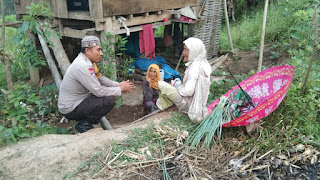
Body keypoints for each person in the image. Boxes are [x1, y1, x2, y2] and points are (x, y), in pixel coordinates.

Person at [58, 36, 134, 133]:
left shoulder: (88, 62)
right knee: (109, 100)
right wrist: (120, 89)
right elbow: (98, 91)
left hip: (80, 100)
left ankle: (87, 121)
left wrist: (118, 85)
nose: (101, 53)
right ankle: (84, 124)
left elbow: (100, 78)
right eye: (98, 50)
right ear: (88, 51)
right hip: (70, 108)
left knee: (107, 96)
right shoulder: (82, 66)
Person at [156, 37, 212, 121]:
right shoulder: (203, 64)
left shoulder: (194, 68)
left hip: (187, 105)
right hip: (198, 104)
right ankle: (169, 104)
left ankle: (164, 106)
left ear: (194, 51)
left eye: (186, 50)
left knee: (161, 84)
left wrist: (178, 89)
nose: (183, 53)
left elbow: (189, 91)